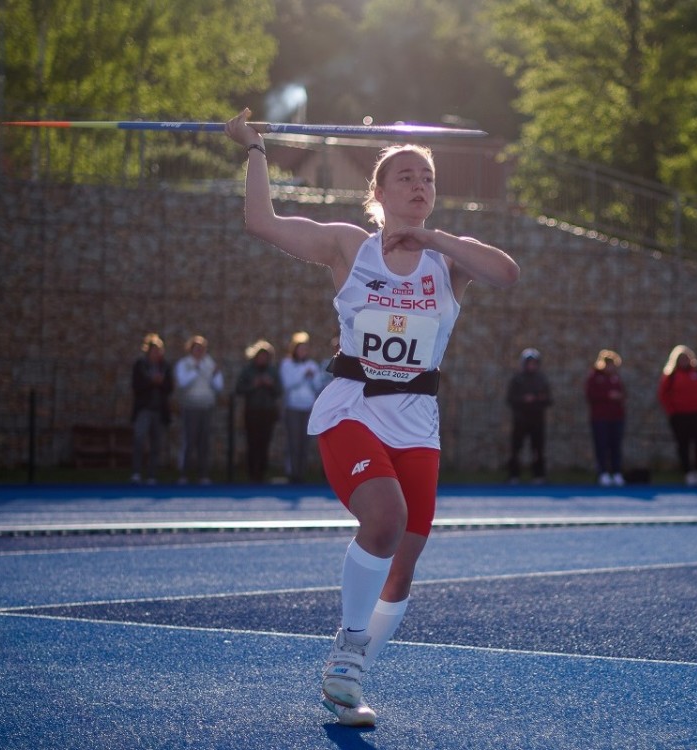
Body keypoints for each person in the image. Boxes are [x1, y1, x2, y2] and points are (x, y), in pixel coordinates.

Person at [225, 107, 519, 726]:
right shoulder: (348, 246)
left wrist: (432, 238)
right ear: (379, 192)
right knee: (385, 520)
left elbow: (508, 274)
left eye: (428, 178)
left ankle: (344, 679)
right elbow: (260, 221)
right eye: (405, 176)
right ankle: (350, 653)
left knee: (403, 564)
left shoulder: (450, 260)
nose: (419, 186)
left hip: (417, 420)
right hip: (353, 407)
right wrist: (254, 150)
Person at [657, 345, 697, 486]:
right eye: (681, 359)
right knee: (683, 445)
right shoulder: (671, 376)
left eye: (686, 358)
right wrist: (672, 411)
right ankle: (688, 472)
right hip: (679, 416)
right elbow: (663, 395)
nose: (684, 361)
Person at [174, 335, 224, 484]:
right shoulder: (184, 364)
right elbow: (182, 383)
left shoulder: (209, 363)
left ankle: (203, 474)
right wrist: (196, 370)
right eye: (196, 349)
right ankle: (184, 474)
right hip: (191, 406)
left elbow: (218, 386)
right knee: (189, 440)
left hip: (206, 406)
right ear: (191, 350)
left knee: (204, 442)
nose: (199, 352)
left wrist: (214, 373)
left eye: (202, 349)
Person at [234, 339, 283, 483]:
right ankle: (252, 474)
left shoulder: (272, 371)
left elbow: (279, 391)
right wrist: (253, 385)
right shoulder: (248, 370)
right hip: (252, 411)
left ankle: (262, 472)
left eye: (265, 356)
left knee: (264, 443)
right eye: (260, 356)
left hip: (268, 412)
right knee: (252, 443)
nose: (263, 359)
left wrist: (270, 385)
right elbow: (239, 389)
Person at [131, 333, 174, 485]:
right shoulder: (140, 365)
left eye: (159, 351)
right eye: (153, 351)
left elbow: (169, 387)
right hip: (144, 409)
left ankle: (152, 475)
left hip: (159, 410)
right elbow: (136, 386)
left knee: (156, 443)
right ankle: (136, 472)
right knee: (139, 439)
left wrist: (161, 383)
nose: (156, 354)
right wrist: (151, 382)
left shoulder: (165, 367)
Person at [506, 348, 553, 484]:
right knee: (516, 449)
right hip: (520, 419)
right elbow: (510, 399)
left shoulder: (541, 380)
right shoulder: (517, 379)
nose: (531, 366)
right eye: (529, 363)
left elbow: (549, 399)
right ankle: (514, 475)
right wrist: (523, 399)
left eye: (534, 363)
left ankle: (539, 475)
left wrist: (538, 399)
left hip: (537, 420)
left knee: (538, 449)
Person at [280, 331, 322, 483]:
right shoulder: (287, 364)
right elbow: (288, 384)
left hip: (308, 408)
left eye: (305, 349)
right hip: (293, 407)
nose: (303, 352)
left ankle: (301, 474)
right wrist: (304, 375)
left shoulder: (312, 365)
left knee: (305, 443)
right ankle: (292, 472)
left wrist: (311, 377)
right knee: (293, 442)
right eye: (300, 348)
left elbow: (317, 386)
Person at [585, 349, 626, 486]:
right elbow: (591, 395)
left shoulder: (616, 378)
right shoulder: (594, 377)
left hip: (616, 417)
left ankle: (616, 472)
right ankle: (603, 472)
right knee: (601, 445)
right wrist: (608, 396)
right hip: (600, 418)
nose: (610, 367)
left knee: (615, 446)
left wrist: (619, 396)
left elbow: (623, 393)